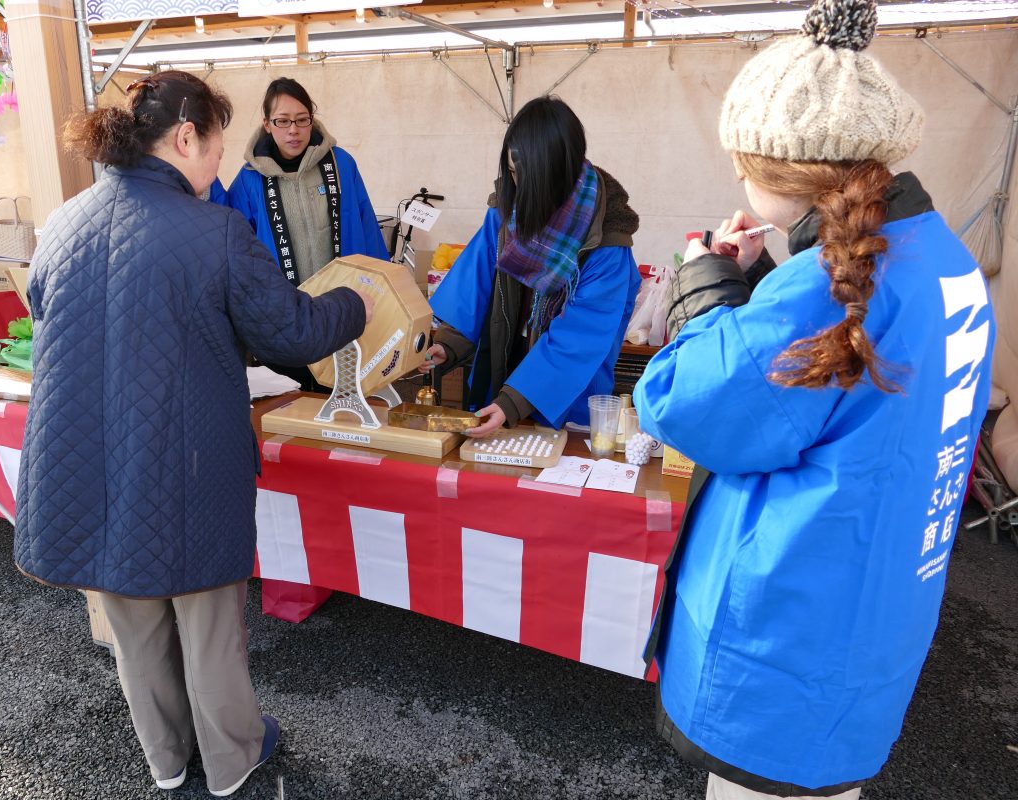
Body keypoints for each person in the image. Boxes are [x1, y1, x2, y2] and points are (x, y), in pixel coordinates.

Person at [633, 2, 994, 798]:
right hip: (877, 601)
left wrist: (707, 286)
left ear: (787, 175)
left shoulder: (823, 293)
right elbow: (838, 386)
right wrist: (770, 282)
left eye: (746, 164)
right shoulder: (945, 256)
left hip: (788, 624)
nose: (738, 178)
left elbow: (684, 401)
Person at [13, 71, 372, 797]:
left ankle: (168, 761)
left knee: (134, 618)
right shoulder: (215, 232)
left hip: (86, 458)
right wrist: (355, 299)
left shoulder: (65, 222)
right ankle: (235, 762)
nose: (219, 164)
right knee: (208, 623)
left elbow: (50, 310)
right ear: (186, 138)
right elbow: (291, 330)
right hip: (185, 460)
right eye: (214, 146)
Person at [419, 95, 641, 435]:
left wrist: (514, 402)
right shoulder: (504, 213)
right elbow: (475, 284)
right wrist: (447, 344)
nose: (518, 186)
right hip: (503, 370)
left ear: (564, 171)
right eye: (511, 171)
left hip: (564, 396)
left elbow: (581, 337)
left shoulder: (607, 241)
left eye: (529, 176)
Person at [212, 77, 389, 391]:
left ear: (312, 118)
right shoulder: (250, 180)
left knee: (348, 407)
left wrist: (388, 296)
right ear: (267, 125)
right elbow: (230, 239)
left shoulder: (341, 164)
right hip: (284, 322)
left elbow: (367, 227)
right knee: (294, 410)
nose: (293, 130)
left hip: (345, 315)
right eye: (282, 121)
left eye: (301, 119)